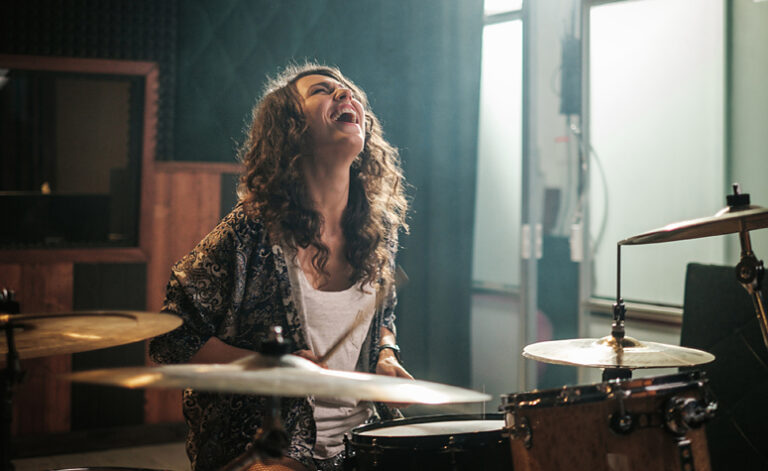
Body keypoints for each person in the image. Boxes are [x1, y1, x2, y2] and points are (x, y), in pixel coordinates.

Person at [149, 62, 412, 471]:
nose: (346, 96)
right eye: (323, 91)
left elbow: (383, 314)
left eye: (349, 91)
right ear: (291, 129)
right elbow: (170, 339)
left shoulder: (378, 231)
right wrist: (267, 362)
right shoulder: (250, 232)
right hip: (272, 447)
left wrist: (386, 354)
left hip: (363, 440)